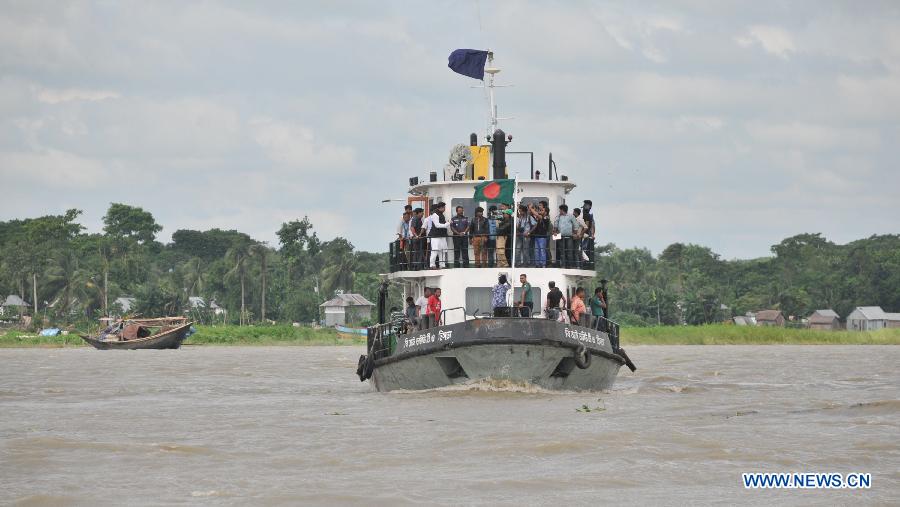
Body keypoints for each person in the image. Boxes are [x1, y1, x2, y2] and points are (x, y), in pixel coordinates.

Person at [427, 202, 451, 268]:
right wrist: (447, 224)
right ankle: (432, 265)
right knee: (435, 250)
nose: (444, 209)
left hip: (442, 235)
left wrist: (446, 223)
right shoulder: (435, 215)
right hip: (435, 236)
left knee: (443, 250)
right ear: (441, 207)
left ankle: (442, 265)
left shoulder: (441, 214)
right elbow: (437, 225)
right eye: (444, 207)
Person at [529, 203, 549, 267]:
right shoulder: (539, 219)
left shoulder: (546, 217)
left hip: (542, 237)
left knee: (542, 250)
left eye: (542, 210)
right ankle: (537, 264)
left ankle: (543, 264)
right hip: (537, 236)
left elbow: (536, 214)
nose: (540, 211)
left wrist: (531, 208)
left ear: (546, 212)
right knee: (537, 251)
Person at [495, 203, 512, 267]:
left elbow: (500, 230)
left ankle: (506, 264)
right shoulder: (504, 221)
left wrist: (498, 227)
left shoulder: (510, 221)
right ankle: (501, 263)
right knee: (500, 251)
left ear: (508, 215)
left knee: (503, 252)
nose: (503, 214)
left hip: (506, 238)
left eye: (505, 213)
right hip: (504, 238)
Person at [582, 200, 596, 265]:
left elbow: (592, 226)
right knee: (581, 247)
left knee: (583, 247)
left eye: (586, 205)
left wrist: (592, 234)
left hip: (585, 233)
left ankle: (584, 260)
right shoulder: (584, 214)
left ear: (589, 206)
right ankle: (583, 260)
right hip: (582, 233)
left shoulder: (590, 216)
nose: (584, 207)